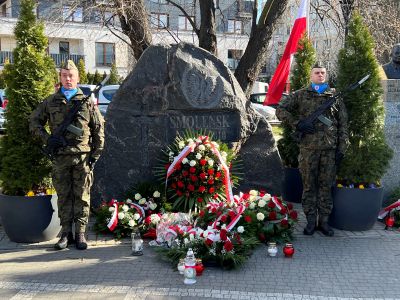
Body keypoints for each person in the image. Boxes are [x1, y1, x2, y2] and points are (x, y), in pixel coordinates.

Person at [30, 60, 104, 250]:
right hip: (60, 156)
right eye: (64, 75)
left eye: (71, 75)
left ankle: (80, 233)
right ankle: (65, 233)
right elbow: (34, 122)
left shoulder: (87, 102)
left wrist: (95, 154)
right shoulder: (50, 101)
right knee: (63, 196)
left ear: (78, 78)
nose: (68, 79)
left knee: (82, 196)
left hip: (82, 156)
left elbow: (98, 129)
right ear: (60, 77)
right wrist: (48, 140)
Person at [276, 62, 349, 237]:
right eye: (317, 72)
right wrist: (297, 123)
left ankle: (323, 222)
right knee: (309, 186)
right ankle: (310, 222)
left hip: (329, 151)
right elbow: (280, 110)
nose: (320, 75)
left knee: (325, 187)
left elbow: (343, 124)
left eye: (323, 72)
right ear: (311, 75)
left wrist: (342, 147)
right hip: (308, 149)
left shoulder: (335, 97)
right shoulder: (300, 95)